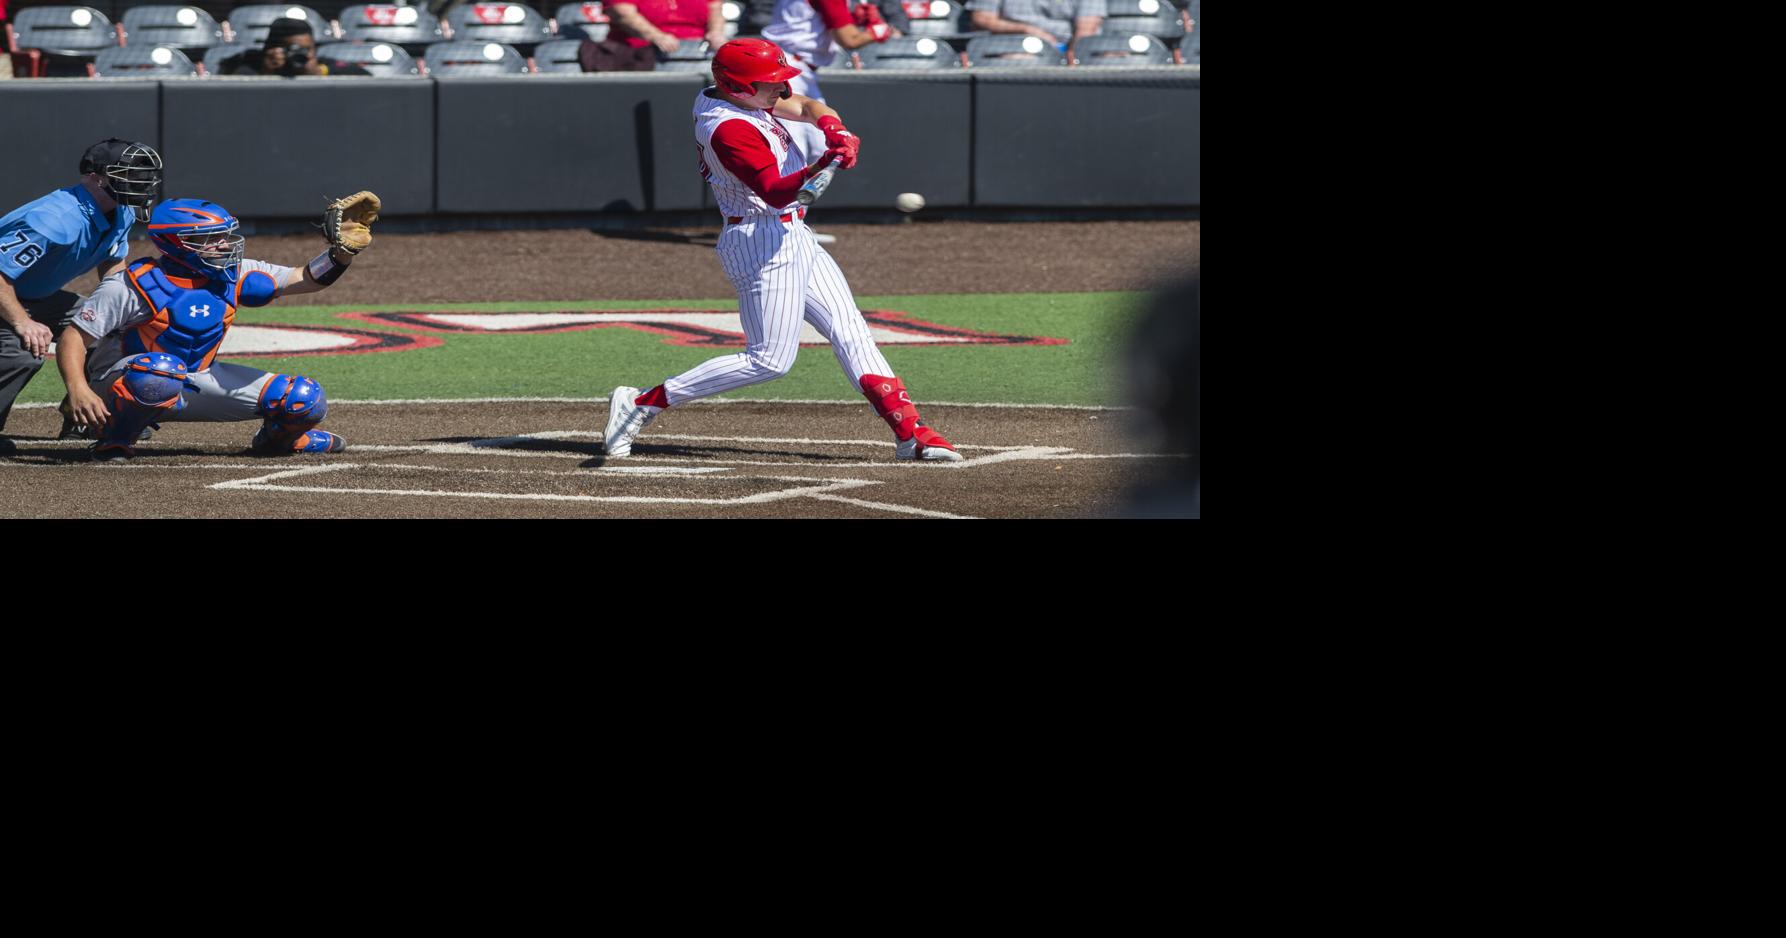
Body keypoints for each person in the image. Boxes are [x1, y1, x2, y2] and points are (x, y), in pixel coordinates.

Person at [601, 37, 961, 463]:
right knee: (769, 360)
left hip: (793, 234)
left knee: (851, 331)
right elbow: (774, 191)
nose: (781, 88)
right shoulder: (728, 128)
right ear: (737, 87)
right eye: (769, 83)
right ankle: (642, 403)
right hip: (760, 242)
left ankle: (911, 434)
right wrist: (823, 164)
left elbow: (807, 106)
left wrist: (834, 130)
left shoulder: (741, 97)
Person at [54, 194, 380, 460]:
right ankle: (115, 437)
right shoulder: (131, 285)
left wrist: (341, 253)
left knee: (303, 399)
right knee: (159, 372)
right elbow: (73, 338)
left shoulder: (233, 274)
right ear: (176, 243)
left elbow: (305, 278)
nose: (224, 245)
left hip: (199, 378)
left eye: (224, 236)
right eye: (210, 239)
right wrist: (79, 389)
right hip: (124, 384)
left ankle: (279, 441)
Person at [0, 138, 163, 456]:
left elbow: (113, 262)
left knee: (115, 329)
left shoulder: (122, 211)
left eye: (143, 175)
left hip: (33, 295)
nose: (140, 182)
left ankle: (85, 414)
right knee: (23, 353)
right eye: (129, 174)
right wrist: (22, 322)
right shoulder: (54, 219)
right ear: (96, 177)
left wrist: (120, 312)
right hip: (9, 294)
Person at [760, 0, 900, 242]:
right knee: (793, 150)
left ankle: (794, 223)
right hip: (787, 67)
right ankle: (778, 227)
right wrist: (880, 30)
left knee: (818, 148)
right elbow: (849, 40)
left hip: (792, 65)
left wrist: (854, 19)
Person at [582, 1, 728, 71]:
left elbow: (715, 8)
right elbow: (622, 13)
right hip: (643, 56)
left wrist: (715, 32)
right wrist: (656, 36)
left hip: (699, 53)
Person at [216, 17, 372, 77]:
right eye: (294, 49)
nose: (303, 54)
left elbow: (365, 77)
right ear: (274, 48)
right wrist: (266, 74)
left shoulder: (322, 65)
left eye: (308, 49)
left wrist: (319, 73)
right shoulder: (251, 64)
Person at [967, 0, 1104, 59]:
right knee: (1019, 60)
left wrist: (1072, 59)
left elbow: (1086, 30)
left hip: (1068, 48)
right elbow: (981, 18)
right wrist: (1026, 29)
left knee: (1111, 58)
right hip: (1017, 47)